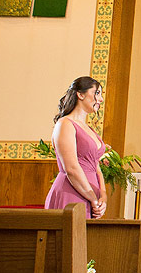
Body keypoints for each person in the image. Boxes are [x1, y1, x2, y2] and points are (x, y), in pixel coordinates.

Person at [44, 76, 107, 219]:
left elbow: (96, 166)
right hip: (71, 192)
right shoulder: (65, 124)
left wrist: (103, 196)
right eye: (97, 93)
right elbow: (71, 168)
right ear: (80, 94)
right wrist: (92, 197)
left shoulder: (90, 129)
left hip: (92, 197)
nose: (101, 99)